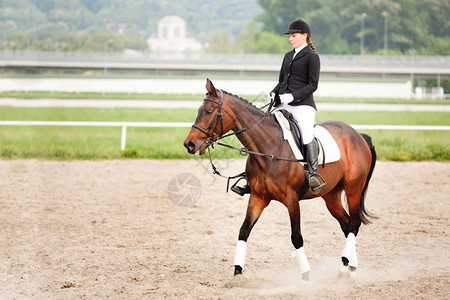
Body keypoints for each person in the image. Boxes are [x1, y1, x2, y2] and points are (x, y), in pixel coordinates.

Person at [271, 18, 325, 193]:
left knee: (306, 131)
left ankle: (313, 173)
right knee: (266, 125)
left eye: (293, 36)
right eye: (290, 36)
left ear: (304, 36)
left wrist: (292, 96)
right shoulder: (288, 56)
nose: (290, 39)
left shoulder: (312, 57)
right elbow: (281, 81)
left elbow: (312, 85)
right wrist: (274, 92)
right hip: (284, 103)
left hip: (303, 105)